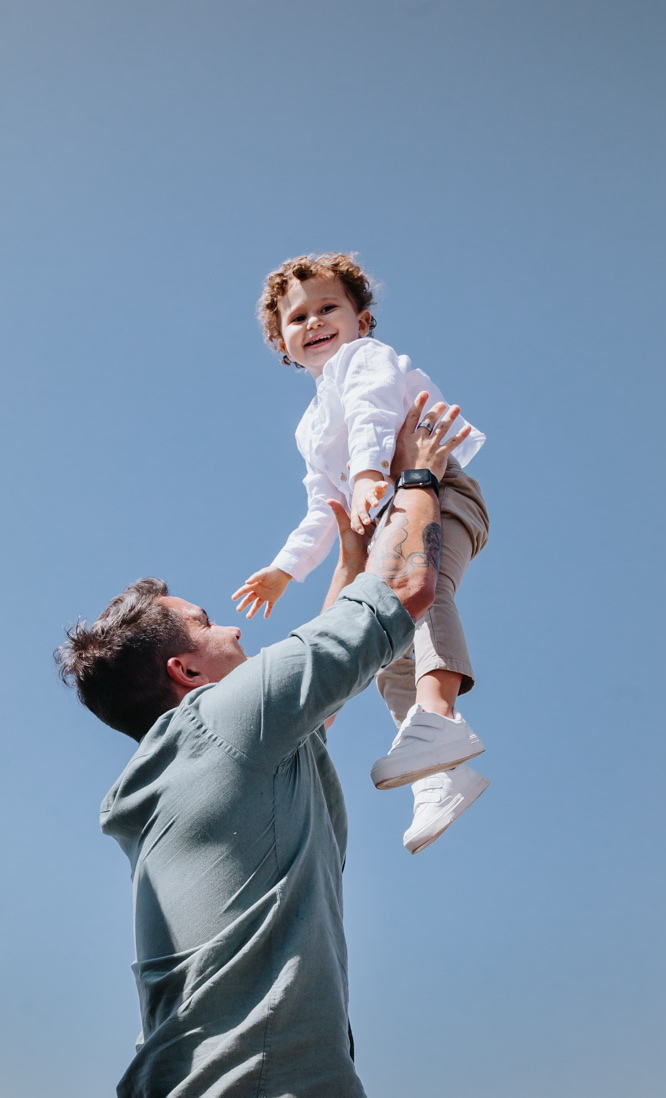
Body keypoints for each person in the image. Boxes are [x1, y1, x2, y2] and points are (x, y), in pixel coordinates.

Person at [55, 399, 469, 1098]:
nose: (236, 631)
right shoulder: (224, 723)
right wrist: (421, 477)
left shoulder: (196, 763)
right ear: (186, 671)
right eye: (207, 623)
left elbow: (318, 692)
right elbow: (405, 586)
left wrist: (351, 558)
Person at [232, 253, 490, 853]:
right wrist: (285, 569)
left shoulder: (364, 358)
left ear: (362, 320)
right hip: (388, 512)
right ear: (283, 344)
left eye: (329, 308)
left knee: (422, 589)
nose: (315, 322)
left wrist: (371, 472)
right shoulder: (310, 427)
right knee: (388, 644)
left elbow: (374, 407)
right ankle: (438, 775)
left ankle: (438, 718)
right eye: (298, 318)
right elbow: (323, 506)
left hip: (440, 490)